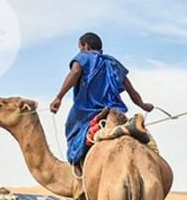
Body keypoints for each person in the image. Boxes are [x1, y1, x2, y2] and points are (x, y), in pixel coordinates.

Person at [49, 32, 153, 168]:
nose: (80, 50)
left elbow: (75, 72)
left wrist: (59, 97)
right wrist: (144, 105)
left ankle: (78, 168)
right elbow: (131, 91)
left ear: (85, 46)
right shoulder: (114, 63)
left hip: (87, 110)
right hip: (115, 110)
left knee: (73, 131)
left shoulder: (84, 56)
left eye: (80, 47)